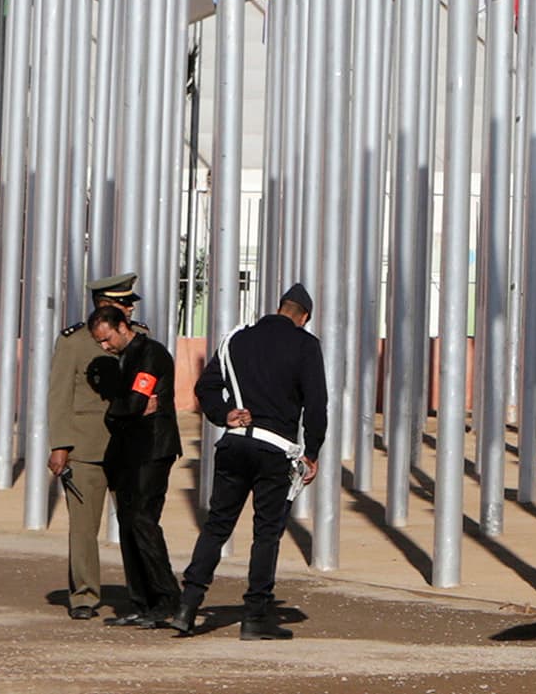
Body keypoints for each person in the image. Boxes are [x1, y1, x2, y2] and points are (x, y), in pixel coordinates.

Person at [174, 282, 329, 641]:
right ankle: (255, 615)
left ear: (278, 308)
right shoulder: (306, 345)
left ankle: (188, 605)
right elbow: (316, 405)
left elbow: (205, 387)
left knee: (217, 526)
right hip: (276, 450)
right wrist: (312, 452)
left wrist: (225, 414)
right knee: (266, 534)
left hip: (234, 444)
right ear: (304, 318)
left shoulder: (236, 339)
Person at [44, 272, 143, 620]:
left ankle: (140, 592)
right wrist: (60, 445)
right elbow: (59, 396)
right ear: (104, 305)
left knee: (136, 522)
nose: (131, 308)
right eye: (124, 302)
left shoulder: (140, 338)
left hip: (129, 448)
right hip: (86, 448)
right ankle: (84, 595)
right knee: (83, 527)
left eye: (130, 303)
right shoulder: (73, 342)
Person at [86, 304, 182, 627]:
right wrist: (122, 410)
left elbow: (137, 403)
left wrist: (119, 410)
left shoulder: (149, 354)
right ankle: (142, 601)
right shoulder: (124, 360)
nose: (105, 346)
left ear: (123, 325)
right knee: (128, 524)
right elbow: (130, 408)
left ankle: (167, 599)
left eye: (107, 338)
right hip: (130, 453)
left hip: (153, 450)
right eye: (99, 342)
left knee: (143, 521)